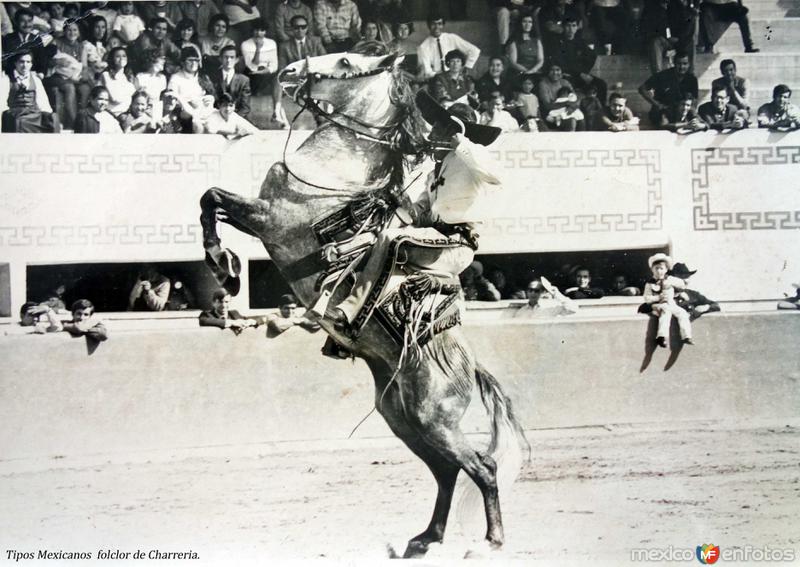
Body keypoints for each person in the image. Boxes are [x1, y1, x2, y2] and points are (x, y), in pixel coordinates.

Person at [327, 94, 502, 336]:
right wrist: (401, 202)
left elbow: (496, 174)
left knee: (391, 239)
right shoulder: (434, 174)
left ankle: (348, 310)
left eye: (437, 131)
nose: (430, 137)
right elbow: (420, 215)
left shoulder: (471, 159)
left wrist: (462, 143)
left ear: (452, 132)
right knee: (368, 245)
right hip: (435, 241)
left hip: (457, 244)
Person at [0, 51, 61, 133]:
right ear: (15, 63)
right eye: (21, 62)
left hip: (33, 114)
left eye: (28, 62)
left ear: (31, 64)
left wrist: (48, 115)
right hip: (15, 114)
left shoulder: (36, 80)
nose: (25, 65)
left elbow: (43, 102)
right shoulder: (6, 80)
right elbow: (2, 104)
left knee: (53, 118)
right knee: (19, 121)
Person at [551, 16, 607, 102]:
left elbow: (592, 56)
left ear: (577, 28)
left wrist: (584, 72)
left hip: (580, 75)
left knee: (601, 84)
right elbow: (560, 63)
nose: (571, 29)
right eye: (568, 26)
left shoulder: (580, 42)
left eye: (573, 26)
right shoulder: (557, 42)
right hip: (566, 75)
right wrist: (579, 73)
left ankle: (600, 110)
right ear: (563, 27)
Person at [638, 51, 698, 127]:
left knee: (695, 119)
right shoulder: (663, 76)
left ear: (689, 64)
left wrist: (692, 114)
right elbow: (642, 89)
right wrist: (657, 104)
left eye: (685, 64)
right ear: (674, 63)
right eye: (679, 63)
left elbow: (694, 100)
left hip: (681, 111)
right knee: (662, 121)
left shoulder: (692, 79)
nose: (682, 67)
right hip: (663, 111)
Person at [643, 253, 691, 347]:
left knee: (682, 313)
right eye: (656, 268)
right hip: (657, 305)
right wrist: (658, 297)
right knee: (666, 311)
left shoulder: (670, 279)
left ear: (666, 270)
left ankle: (686, 336)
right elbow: (647, 298)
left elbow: (681, 284)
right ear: (652, 270)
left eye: (661, 268)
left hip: (670, 304)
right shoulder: (649, 283)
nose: (659, 271)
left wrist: (683, 282)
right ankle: (661, 337)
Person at [638, 0, 697, 74]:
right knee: (655, 42)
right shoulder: (651, 8)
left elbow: (687, 25)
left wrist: (679, 39)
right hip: (663, 41)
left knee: (690, 43)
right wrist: (666, 36)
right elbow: (645, 30)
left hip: (677, 41)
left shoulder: (677, 6)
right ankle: (657, 76)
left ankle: (690, 76)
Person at [416, 14, 480, 82]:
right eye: (433, 24)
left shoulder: (451, 38)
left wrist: (466, 67)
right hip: (438, 79)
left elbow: (474, 51)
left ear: (443, 25)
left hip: (456, 77)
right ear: (428, 25)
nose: (436, 27)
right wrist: (444, 77)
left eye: (439, 24)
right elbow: (427, 72)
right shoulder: (423, 47)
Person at [2, 7, 56, 77]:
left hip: (32, 75)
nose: (27, 24)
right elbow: (6, 63)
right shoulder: (8, 39)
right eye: (23, 21)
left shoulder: (36, 39)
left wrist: (40, 74)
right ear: (16, 22)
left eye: (29, 21)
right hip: (12, 76)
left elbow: (42, 62)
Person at [211, 45, 252, 119]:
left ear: (237, 60)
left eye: (232, 57)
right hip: (216, 117)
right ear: (220, 59)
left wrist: (232, 120)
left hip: (237, 118)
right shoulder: (212, 77)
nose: (228, 60)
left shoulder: (244, 80)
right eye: (226, 57)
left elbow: (245, 107)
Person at [514, 277, 578, 317]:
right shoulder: (521, 312)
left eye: (536, 291)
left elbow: (574, 309)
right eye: (530, 290)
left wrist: (557, 294)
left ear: (542, 293)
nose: (533, 293)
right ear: (527, 291)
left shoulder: (551, 307)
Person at [101, 46, 136, 117]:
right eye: (117, 56)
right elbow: (115, 99)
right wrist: (128, 92)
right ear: (112, 59)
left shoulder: (128, 76)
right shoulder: (106, 75)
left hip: (126, 114)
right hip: (110, 114)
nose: (121, 59)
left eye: (124, 56)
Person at [506, 12, 544, 78]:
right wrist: (527, 72)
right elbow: (513, 62)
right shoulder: (514, 41)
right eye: (524, 22)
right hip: (519, 72)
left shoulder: (537, 41)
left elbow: (541, 60)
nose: (527, 24)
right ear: (520, 23)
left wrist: (532, 71)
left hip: (535, 72)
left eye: (530, 22)